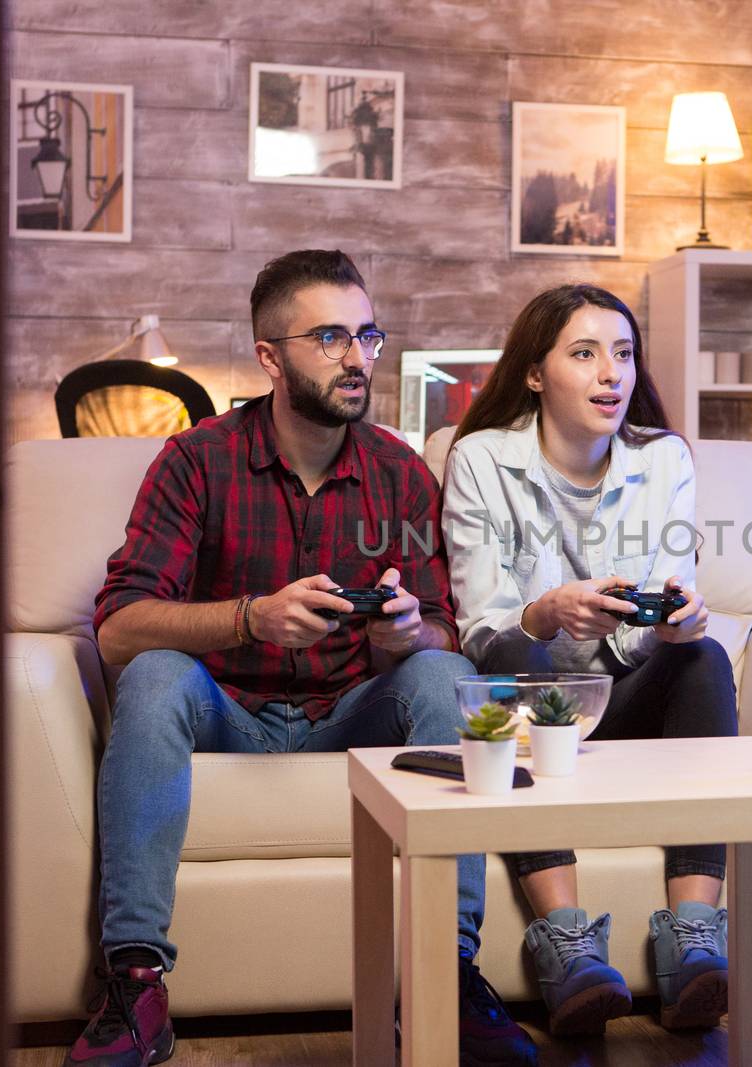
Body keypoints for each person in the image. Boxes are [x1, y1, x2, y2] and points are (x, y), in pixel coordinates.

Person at [67, 250, 537, 1067]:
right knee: (151, 674)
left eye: (367, 335)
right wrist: (252, 618)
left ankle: (445, 973)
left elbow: (444, 630)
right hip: (228, 715)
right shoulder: (196, 460)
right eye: (329, 337)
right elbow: (116, 628)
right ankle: (135, 983)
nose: (357, 358)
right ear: (269, 355)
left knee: (445, 675)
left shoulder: (399, 472)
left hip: (351, 718)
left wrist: (405, 635)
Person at [439, 284, 739, 1038]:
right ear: (536, 373)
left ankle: (695, 938)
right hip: (533, 697)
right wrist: (543, 614)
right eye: (585, 353)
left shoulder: (664, 458)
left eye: (624, 353)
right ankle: (568, 945)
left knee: (703, 658)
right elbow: (482, 627)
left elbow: (668, 596)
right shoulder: (478, 458)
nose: (612, 373)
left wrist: (674, 622)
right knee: (509, 681)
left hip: (626, 691)